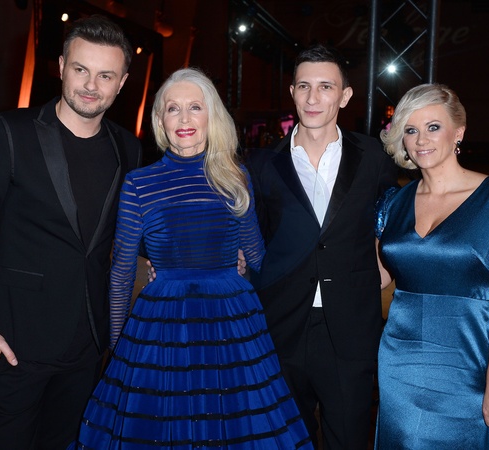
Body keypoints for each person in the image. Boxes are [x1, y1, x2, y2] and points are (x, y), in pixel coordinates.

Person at [70, 68, 313, 449]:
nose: (184, 118)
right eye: (173, 108)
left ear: (210, 116)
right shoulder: (139, 184)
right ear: (160, 120)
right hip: (162, 325)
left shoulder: (235, 178)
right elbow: (121, 272)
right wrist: (118, 349)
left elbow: (257, 256)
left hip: (233, 326)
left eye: (195, 107)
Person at [0, 15, 142, 449]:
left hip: (88, 349)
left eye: (105, 75)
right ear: (62, 66)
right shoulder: (9, 134)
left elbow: (131, 235)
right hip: (13, 347)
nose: (91, 85)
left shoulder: (128, 147)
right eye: (81, 69)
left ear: (122, 83)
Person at [245, 44, 399, 449]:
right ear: (292, 92)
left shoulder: (374, 157)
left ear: (344, 96)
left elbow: (397, 219)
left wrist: (387, 266)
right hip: (281, 325)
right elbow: (250, 235)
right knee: (286, 439)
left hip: (350, 327)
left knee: (348, 437)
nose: (313, 97)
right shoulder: (261, 163)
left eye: (326, 87)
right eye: (304, 86)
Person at [374, 83, 489, 448]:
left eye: (433, 127)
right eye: (411, 130)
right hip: (399, 361)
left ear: (459, 132)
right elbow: (377, 277)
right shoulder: (393, 203)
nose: (421, 140)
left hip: (467, 362)